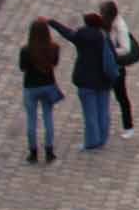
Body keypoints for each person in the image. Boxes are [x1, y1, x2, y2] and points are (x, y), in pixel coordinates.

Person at [45, 11, 116, 150]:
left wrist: (51, 22)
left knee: (90, 114)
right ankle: (102, 138)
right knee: (103, 111)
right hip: (103, 80)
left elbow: (67, 33)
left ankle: (91, 142)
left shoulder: (81, 36)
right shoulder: (105, 36)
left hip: (86, 81)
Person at [20, 18, 64, 163]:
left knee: (31, 120)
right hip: (48, 85)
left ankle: (33, 153)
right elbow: (55, 63)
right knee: (48, 118)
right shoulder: (54, 48)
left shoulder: (26, 50)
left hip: (30, 87)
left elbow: (22, 68)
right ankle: (49, 151)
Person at [100, 0, 139, 138]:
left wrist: (111, 51)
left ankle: (128, 126)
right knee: (101, 93)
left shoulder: (120, 27)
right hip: (105, 63)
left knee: (121, 96)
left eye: (103, 13)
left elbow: (126, 49)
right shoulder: (104, 22)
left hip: (116, 66)